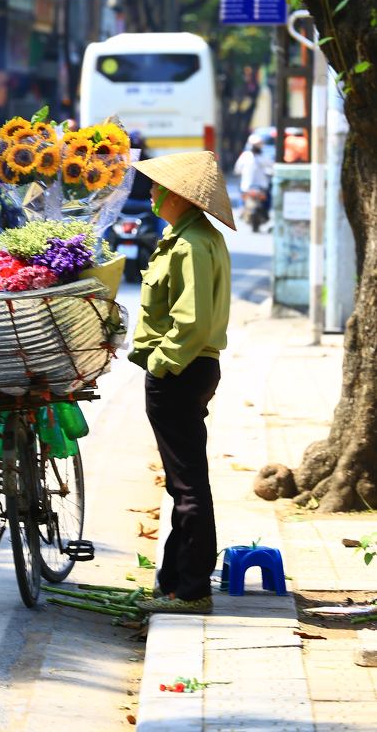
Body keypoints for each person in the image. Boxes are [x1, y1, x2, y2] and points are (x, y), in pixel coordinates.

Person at [128, 150, 234, 614]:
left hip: (182, 371)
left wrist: (161, 364)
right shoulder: (188, 238)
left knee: (187, 484)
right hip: (189, 369)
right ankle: (173, 581)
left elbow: (190, 322)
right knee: (182, 481)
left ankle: (191, 590)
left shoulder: (191, 245)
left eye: (155, 187)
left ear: (176, 196)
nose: (150, 194)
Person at [234, 133, 272, 213]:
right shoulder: (263, 156)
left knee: (241, 193)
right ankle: (242, 209)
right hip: (258, 187)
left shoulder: (245, 156)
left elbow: (237, 169)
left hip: (251, 187)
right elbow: (272, 167)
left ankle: (241, 209)